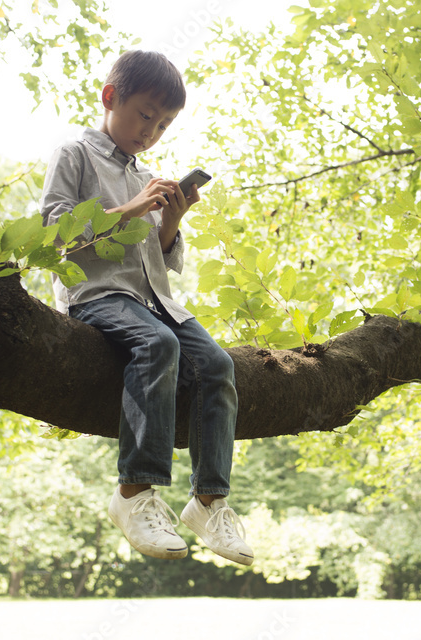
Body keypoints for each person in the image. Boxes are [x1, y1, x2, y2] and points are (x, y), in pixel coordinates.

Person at [39, 50, 253, 565]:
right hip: (96, 296)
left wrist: (170, 223)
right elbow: (54, 234)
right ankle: (135, 493)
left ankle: (209, 501)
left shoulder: (146, 174)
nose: (151, 131)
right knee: (156, 346)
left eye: (164, 124)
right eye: (145, 115)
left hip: (153, 300)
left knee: (217, 365)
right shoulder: (75, 154)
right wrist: (132, 208)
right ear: (110, 98)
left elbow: (155, 255)